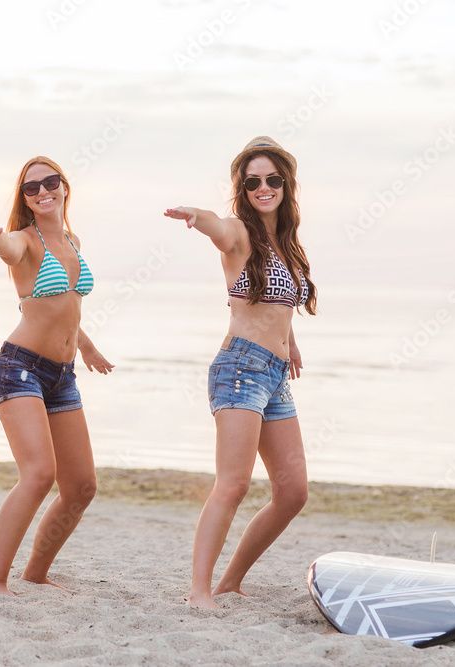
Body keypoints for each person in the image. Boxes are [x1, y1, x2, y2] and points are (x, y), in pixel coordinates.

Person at [164, 136, 317, 609]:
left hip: (272, 375)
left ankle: (231, 582)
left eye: (272, 179)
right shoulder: (239, 233)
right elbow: (219, 229)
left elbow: (279, 303)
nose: (263, 187)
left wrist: (289, 342)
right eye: (253, 181)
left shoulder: (288, 244)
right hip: (239, 368)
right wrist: (198, 217)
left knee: (293, 492)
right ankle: (199, 592)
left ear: (285, 185)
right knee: (232, 483)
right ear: (243, 188)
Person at [0, 156, 114, 596]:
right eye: (32, 188)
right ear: (24, 199)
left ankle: (35, 572)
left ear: (65, 187)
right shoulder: (24, 242)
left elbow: (67, 307)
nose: (43, 191)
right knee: (38, 475)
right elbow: (8, 248)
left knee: (82, 486)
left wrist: (87, 348)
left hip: (61, 377)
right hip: (19, 369)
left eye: (51, 183)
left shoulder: (72, 239)